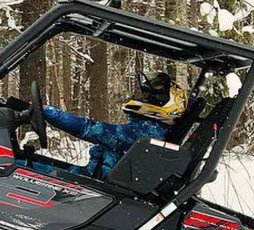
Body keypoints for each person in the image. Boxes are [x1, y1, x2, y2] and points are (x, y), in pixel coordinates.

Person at [41, 72, 188, 177]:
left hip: (89, 188)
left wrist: (52, 114)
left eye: (146, 96)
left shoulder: (146, 134)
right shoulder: (148, 130)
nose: (140, 98)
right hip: (88, 178)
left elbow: (92, 130)